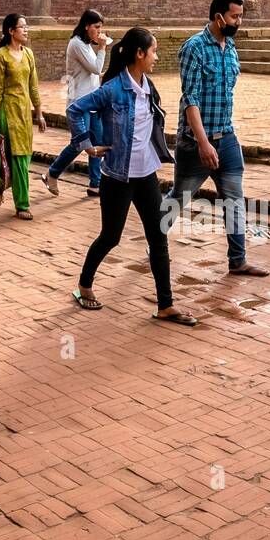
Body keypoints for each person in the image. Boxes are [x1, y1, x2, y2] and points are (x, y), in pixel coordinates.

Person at [66, 28, 196, 325]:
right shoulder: (113, 90)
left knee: (158, 236)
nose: (156, 57)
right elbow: (75, 110)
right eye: (153, 51)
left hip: (146, 175)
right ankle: (85, 284)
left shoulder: (150, 87)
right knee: (111, 237)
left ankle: (165, 304)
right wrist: (87, 146)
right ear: (140, 54)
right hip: (117, 177)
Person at [170, 0, 268, 278]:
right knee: (179, 197)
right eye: (235, 16)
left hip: (227, 136)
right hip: (195, 142)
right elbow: (191, 99)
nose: (239, 22)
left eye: (241, 16)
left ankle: (237, 260)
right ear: (218, 17)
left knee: (235, 199)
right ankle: (155, 239)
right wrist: (203, 143)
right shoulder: (195, 48)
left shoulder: (231, 47)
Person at [42, 10, 112, 199]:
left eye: (101, 28)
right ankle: (52, 173)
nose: (99, 31)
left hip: (93, 101)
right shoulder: (76, 44)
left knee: (98, 142)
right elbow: (96, 69)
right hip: (79, 103)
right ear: (87, 26)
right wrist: (103, 48)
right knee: (80, 144)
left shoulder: (87, 45)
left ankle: (95, 184)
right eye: (96, 27)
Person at [0, 14, 46, 220]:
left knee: (24, 156)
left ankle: (0, 184)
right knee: (16, 157)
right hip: (7, 111)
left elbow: (33, 85)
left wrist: (39, 113)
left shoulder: (29, 54)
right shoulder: (1, 56)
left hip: (23, 113)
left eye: (26, 26)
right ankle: (22, 204)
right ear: (11, 31)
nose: (26, 30)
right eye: (22, 27)